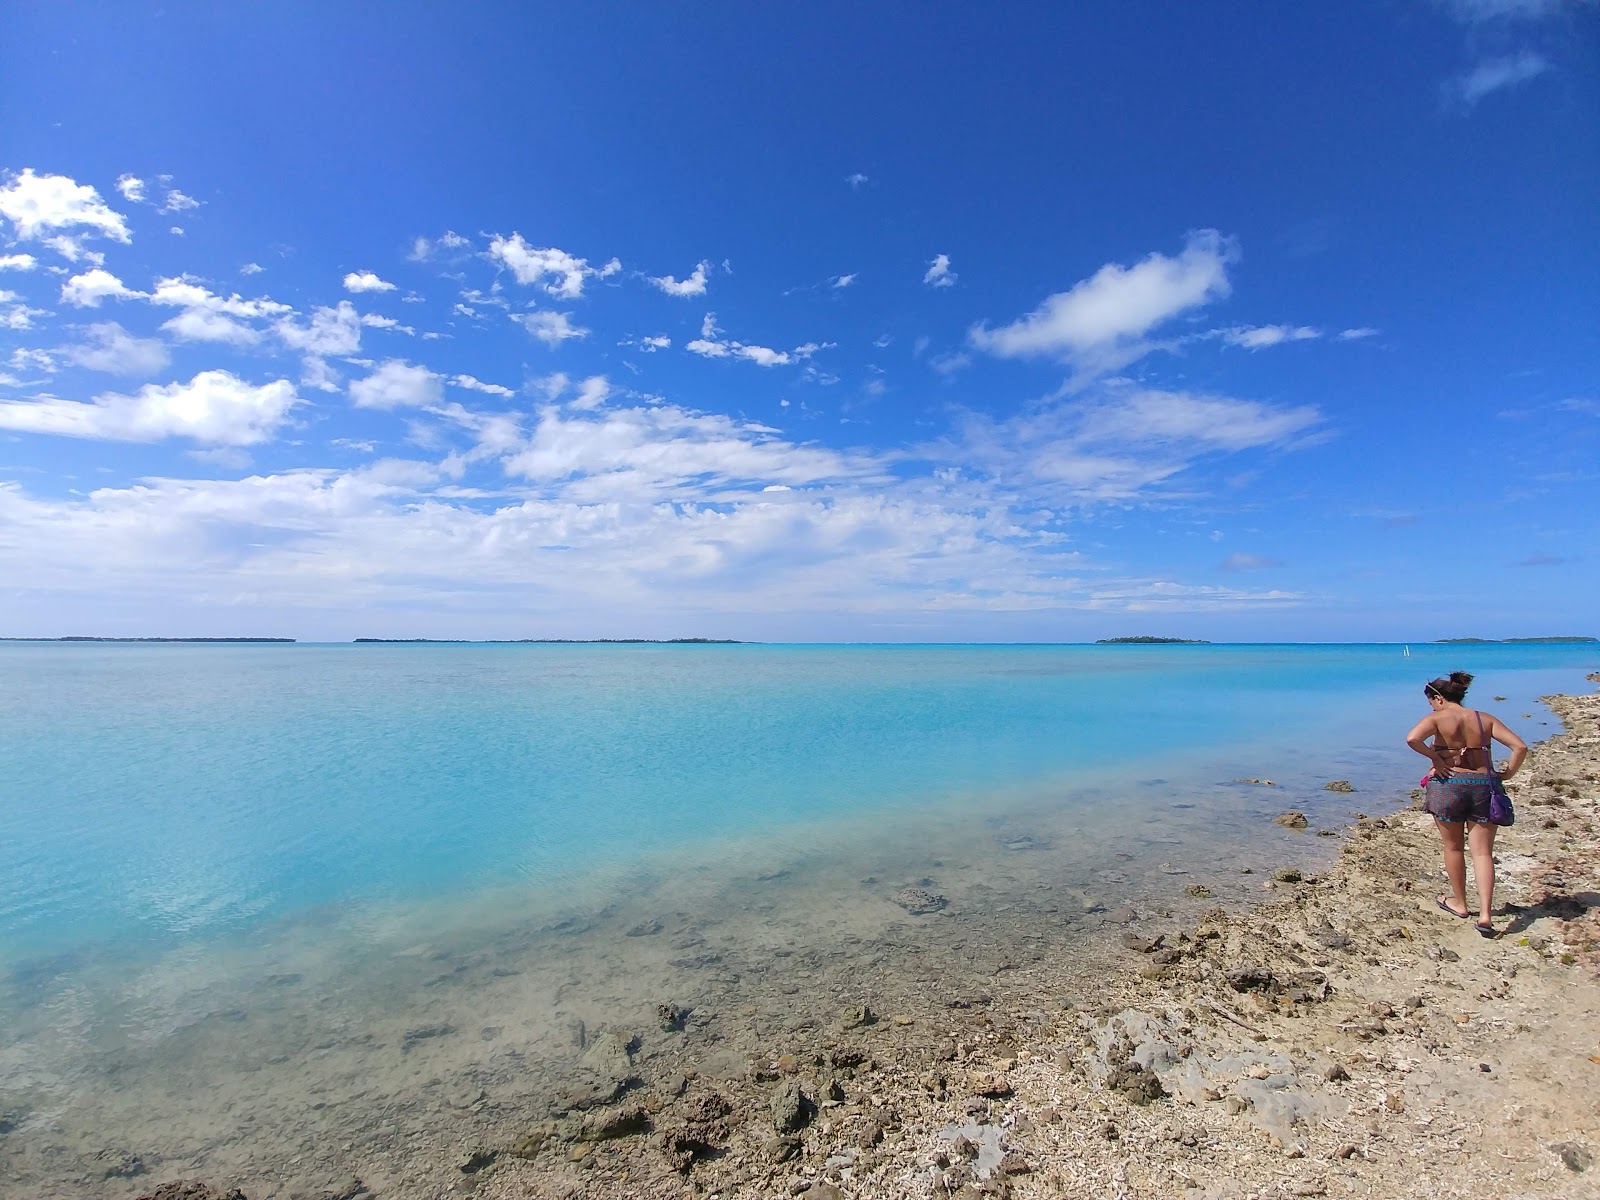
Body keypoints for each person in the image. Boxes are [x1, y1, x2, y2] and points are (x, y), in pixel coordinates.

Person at [1405, 671, 1527, 937]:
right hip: (1484, 785)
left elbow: (1413, 738)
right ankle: (1485, 914)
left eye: (1430, 702)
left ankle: (1460, 903)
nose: (1431, 706)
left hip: (1449, 786)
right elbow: (1519, 747)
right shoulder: (1485, 719)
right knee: (1482, 853)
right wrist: (1507, 773)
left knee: (1453, 847)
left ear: (1438, 698)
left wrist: (1435, 759)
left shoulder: (1437, 718)